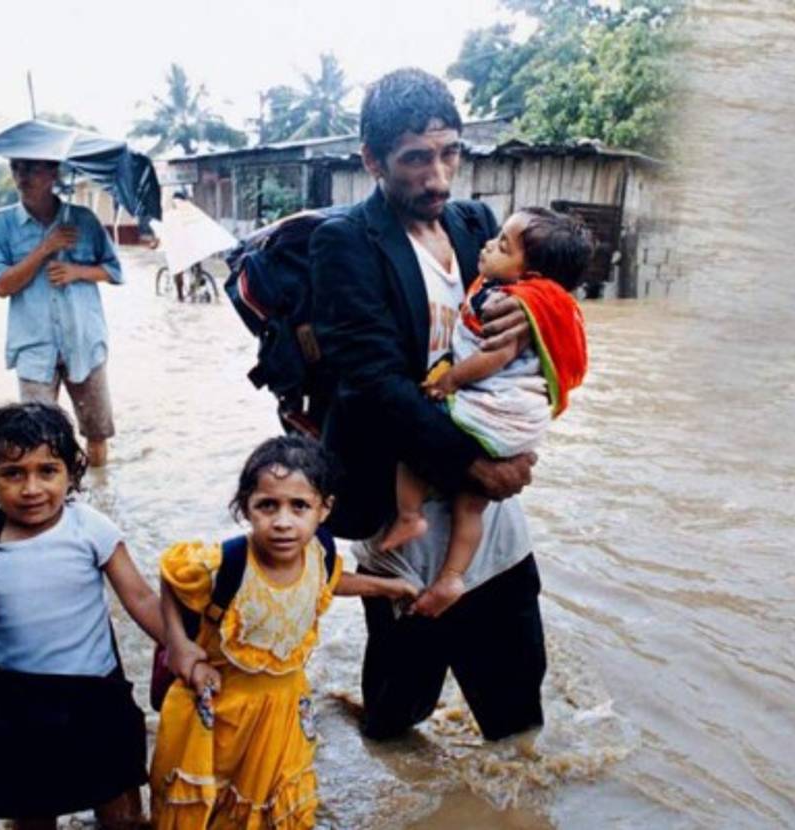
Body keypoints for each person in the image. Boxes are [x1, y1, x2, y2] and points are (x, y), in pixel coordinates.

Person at [309, 68, 547, 742]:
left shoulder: (477, 227)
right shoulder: (345, 242)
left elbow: (545, 318)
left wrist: (532, 320)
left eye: (449, 154)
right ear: (372, 160)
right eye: (417, 158)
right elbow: (373, 382)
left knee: (518, 715)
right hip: (402, 515)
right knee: (397, 714)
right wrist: (480, 467)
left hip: (489, 520)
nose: (439, 178)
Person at [149, 435, 417, 829]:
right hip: (220, 710)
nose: (283, 522)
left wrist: (387, 587)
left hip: (284, 709)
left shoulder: (319, 552)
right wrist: (179, 647)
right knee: (210, 806)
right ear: (246, 507)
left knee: (280, 802)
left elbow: (329, 581)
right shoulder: (227, 564)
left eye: (299, 506)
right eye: (267, 505)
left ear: (324, 509)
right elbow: (172, 576)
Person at [0, 402, 162, 828]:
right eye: (13, 474)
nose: (32, 488)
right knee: (32, 813)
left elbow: (142, 599)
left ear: (71, 473)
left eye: (47, 471)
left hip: (95, 694)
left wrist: (184, 649)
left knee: (122, 813)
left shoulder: (89, 528)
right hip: (17, 701)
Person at [380, 207, 591, 616]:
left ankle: (409, 514)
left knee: (413, 435)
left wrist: (449, 380)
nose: (488, 246)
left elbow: (494, 356)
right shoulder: (530, 301)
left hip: (494, 413)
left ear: (531, 275)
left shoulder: (505, 301)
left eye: (502, 246)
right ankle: (452, 576)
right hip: (516, 426)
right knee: (470, 505)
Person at [0, 158, 123, 467]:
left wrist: (78, 271)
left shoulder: (83, 220)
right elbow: (0, 286)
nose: (23, 176)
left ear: (53, 172)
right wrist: (45, 248)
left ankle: (100, 490)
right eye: (17, 168)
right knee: (37, 439)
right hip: (33, 347)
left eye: (33, 168)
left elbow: (114, 271)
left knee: (97, 433)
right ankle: (55, 494)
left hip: (85, 343)